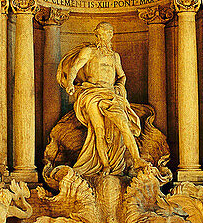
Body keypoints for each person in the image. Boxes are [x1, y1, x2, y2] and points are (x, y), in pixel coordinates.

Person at [56, 22, 148, 176]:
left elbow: (122, 75)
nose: (107, 36)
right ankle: (105, 165)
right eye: (104, 33)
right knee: (99, 130)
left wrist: (120, 86)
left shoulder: (114, 56)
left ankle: (137, 159)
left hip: (111, 94)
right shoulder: (89, 51)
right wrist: (70, 84)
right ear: (97, 34)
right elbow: (75, 67)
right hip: (92, 92)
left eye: (110, 33)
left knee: (124, 125)